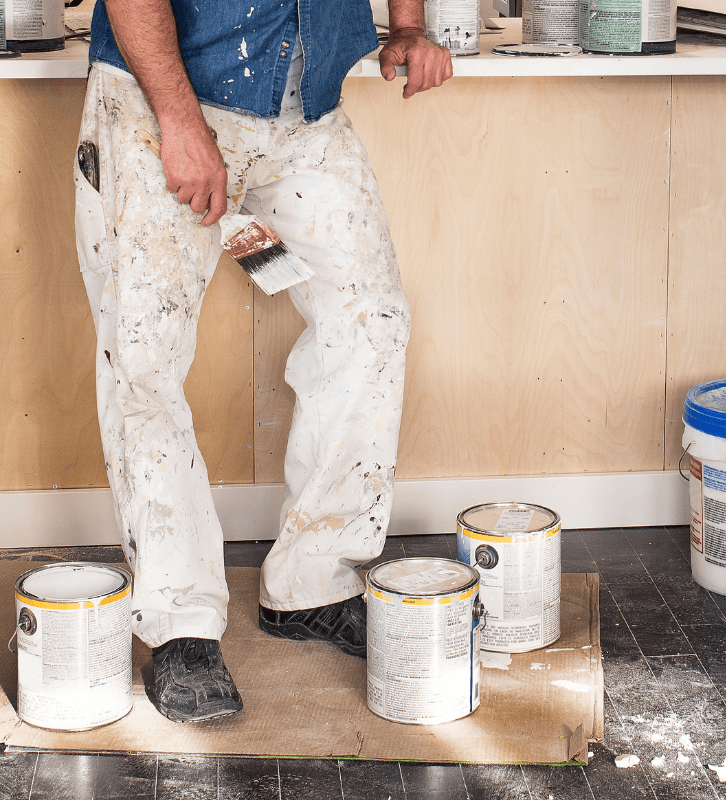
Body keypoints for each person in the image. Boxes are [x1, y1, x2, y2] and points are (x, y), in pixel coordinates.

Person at [73, 0, 454, 722]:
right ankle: (180, 619)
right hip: (169, 104)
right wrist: (180, 124)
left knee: (371, 324)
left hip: (305, 116)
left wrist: (405, 25)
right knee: (145, 362)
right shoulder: (171, 113)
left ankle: (315, 580)